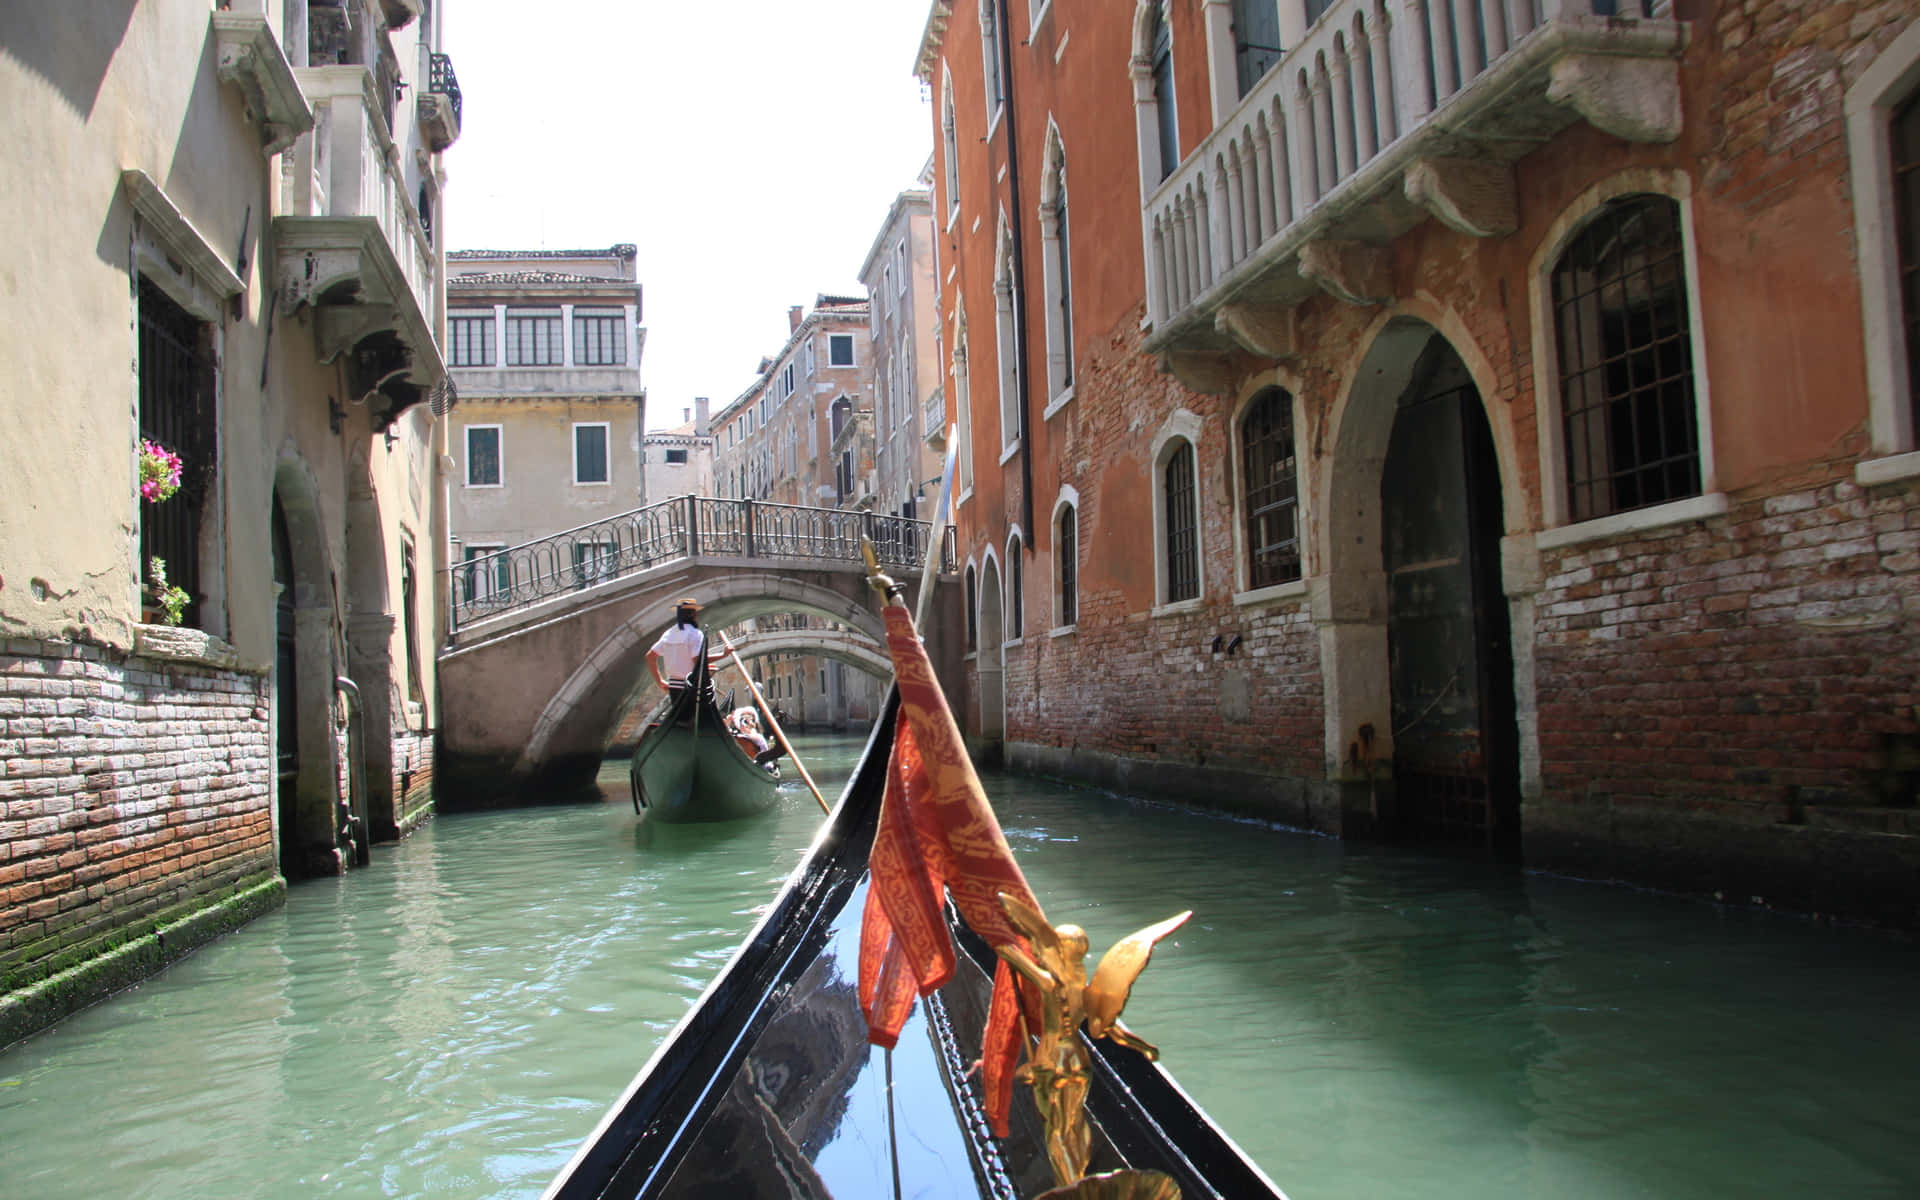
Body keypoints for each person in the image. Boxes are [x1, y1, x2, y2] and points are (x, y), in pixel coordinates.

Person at [646, 597, 717, 700]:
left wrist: (660, 682)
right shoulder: (695, 634)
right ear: (694, 615)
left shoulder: (669, 633)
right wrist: (724, 654)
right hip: (691, 686)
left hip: (673, 687)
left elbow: (650, 657)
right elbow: (697, 660)